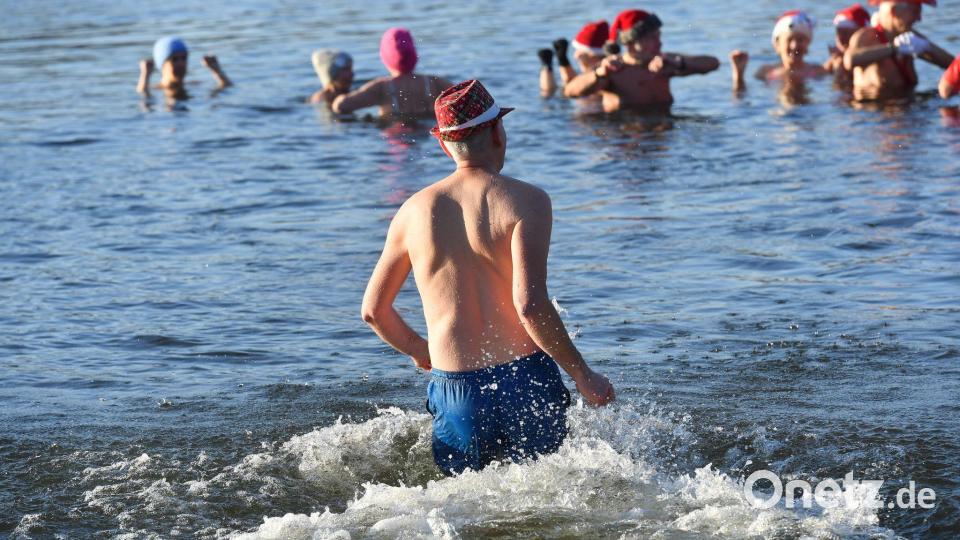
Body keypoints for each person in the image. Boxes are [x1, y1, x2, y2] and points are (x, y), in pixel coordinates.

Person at [361, 79, 615, 475]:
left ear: (444, 145)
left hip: (457, 389)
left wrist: (420, 351)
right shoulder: (526, 200)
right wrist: (582, 373)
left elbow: (375, 311)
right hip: (526, 379)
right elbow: (529, 305)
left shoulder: (412, 211)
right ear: (498, 131)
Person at [563, 9, 720, 112]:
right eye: (651, 38)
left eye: (659, 36)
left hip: (662, 131)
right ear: (630, 43)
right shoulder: (614, 69)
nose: (659, 43)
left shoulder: (664, 63)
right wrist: (599, 73)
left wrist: (679, 63)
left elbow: (713, 63)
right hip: (625, 137)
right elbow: (570, 91)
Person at [332, 28, 454, 121]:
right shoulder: (434, 82)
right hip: (426, 131)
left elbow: (341, 106)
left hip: (394, 132)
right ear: (414, 54)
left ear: (385, 57)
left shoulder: (381, 87)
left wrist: (335, 94)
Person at [844, 0, 954, 101]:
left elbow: (953, 67)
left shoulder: (909, 36)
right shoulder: (867, 36)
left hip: (908, 103)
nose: (919, 18)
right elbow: (849, 60)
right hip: (876, 112)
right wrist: (894, 49)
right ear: (894, 12)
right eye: (915, 12)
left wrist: (928, 47)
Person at [136, 36, 232, 100]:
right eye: (174, 59)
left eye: (184, 58)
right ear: (162, 64)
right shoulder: (155, 90)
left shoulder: (194, 85)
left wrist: (216, 70)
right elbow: (142, 98)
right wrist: (145, 75)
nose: (181, 63)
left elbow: (227, 89)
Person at [538, 21, 609, 97]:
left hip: (589, 106)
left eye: (579, 50)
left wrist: (562, 61)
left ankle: (546, 68)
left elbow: (571, 89)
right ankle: (547, 67)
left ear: (592, 54)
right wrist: (563, 61)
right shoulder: (602, 70)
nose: (575, 55)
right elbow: (576, 81)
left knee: (550, 94)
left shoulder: (602, 75)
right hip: (583, 99)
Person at [824, 4, 873, 85]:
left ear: (862, 34)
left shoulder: (874, 57)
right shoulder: (834, 61)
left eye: (846, 33)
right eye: (839, 32)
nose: (841, 39)